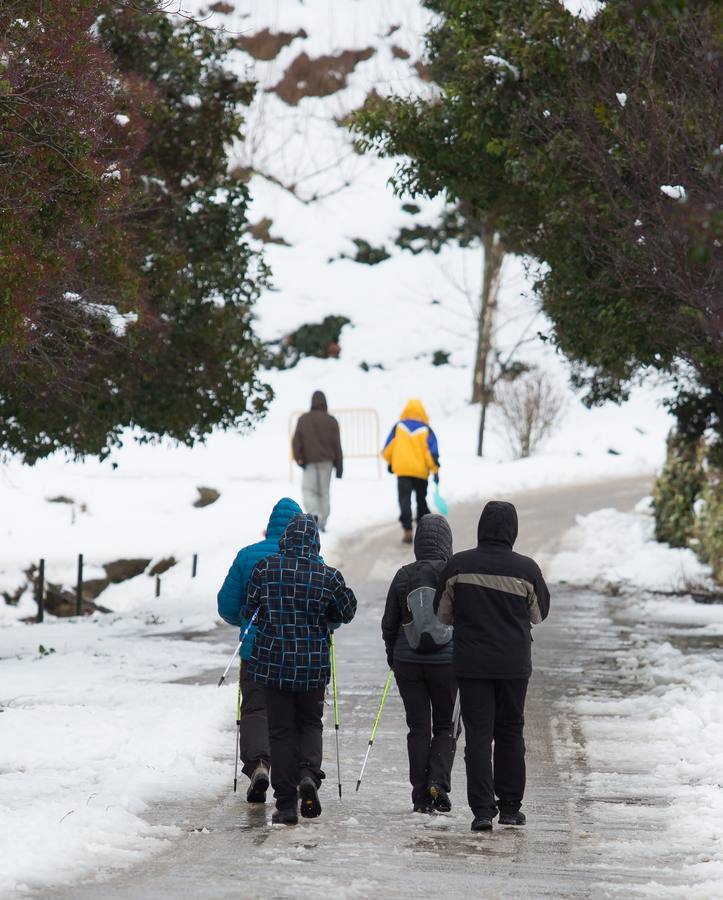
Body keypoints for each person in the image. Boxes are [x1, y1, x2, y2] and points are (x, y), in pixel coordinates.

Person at [435, 501, 550, 832]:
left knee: (479, 735)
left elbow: (442, 613)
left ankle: (483, 811)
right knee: (511, 730)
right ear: (513, 530)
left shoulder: (459, 565)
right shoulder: (527, 569)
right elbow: (538, 615)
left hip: (471, 664)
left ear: (481, 527)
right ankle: (511, 808)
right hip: (514, 664)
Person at [242, 513, 357, 825]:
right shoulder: (326, 575)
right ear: (314, 542)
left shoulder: (265, 569)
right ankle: (308, 775)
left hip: (273, 664)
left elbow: (248, 608)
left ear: (285, 539)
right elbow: (347, 611)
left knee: (279, 731)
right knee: (309, 724)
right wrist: (326, 612)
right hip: (312, 666)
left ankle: (286, 804)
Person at [217, 497, 303, 804]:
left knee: (255, 709)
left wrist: (244, 620)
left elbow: (226, 606)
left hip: (255, 648)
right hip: (296, 651)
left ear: (269, 525)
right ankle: (291, 774)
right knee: (291, 714)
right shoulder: (309, 557)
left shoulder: (247, 556)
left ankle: (258, 765)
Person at [381, 514, 457, 814]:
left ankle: (419, 796)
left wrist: (393, 656)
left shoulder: (403, 575)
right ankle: (438, 781)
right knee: (445, 725)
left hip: (407, 662)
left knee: (418, 727)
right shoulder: (453, 575)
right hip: (446, 662)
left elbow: (389, 623)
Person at [382, 399, 440, 544]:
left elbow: (387, 449)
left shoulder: (398, 427)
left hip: (403, 471)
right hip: (421, 473)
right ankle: (423, 531)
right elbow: (431, 453)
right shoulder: (427, 430)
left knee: (404, 501)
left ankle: (407, 530)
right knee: (421, 501)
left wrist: (391, 462)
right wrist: (435, 470)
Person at [292, 391, 343, 532]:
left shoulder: (303, 419)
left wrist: (299, 458)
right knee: (324, 492)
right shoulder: (331, 420)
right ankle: (323, 521)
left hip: (309, 461)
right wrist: (339, 467)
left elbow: (296, 441)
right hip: (327, 462)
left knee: (309, 490)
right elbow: (337, 445)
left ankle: (313, 514)